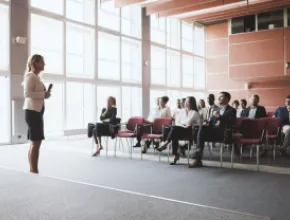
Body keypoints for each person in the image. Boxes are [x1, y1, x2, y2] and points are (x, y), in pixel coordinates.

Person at [189, 92, 236, 168]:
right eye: (218, 97)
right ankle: (198, 157)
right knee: (201, 127)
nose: (218, 98)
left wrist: (219, 116)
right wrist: (207, 121)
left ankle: (198, 155)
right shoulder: (216, 109)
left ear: (227, 98)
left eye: (221, 97)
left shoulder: (232, 110)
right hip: (213, 131)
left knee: (202, 130)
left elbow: (231, 123)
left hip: (222, 133)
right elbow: (211, 122)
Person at [23, 54, 51, 174]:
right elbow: (27, 94)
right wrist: (43, 95)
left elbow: (37, 95)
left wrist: (45, 94)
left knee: (35, 142)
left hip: (36, 112)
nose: (44, 64)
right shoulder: (30, 76)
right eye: (42, 62)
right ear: (35, 63)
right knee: (36, 142)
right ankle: (34, 170)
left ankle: (32, 169)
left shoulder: (36, 77)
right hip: (33, 113)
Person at [157, 96, 201, 165]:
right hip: (180, 129)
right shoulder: (181, 111)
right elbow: (177, 122)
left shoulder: (194, 113)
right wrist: (182, 125)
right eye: (185, 101)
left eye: (188, 101)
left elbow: (199, 124)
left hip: (189, 131)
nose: (186, 103)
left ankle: (166, 144)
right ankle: (175, 154)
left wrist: (192, 125)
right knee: (173, 131)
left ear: (192, 103)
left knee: (174, 130)